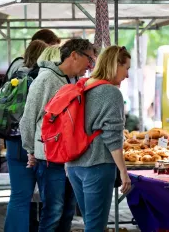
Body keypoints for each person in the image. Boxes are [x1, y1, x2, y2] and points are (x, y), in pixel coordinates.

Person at [20, 38, 97, 232]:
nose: (90, 65)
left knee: (67, 212)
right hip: (50, 158)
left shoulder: (75, 81)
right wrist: (30, 149)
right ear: (74, 55)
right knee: (53, 211)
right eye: (89, 59)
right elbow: (29, 118)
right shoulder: (45, 80)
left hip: (71, 158)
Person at [67, 46, 132, 231]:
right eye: (126, 68)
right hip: (97, 165)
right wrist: (123, 172)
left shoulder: (83, 85)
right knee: (96, 226)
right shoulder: (110, 93)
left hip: (74, 165)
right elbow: (112, 137)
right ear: (115, 65)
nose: (127, 75)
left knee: (90, 222)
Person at [4, 40, 48, 232]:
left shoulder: (15, 74)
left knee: (19, 198)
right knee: (50, 199)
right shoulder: (43, 78)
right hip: (36, 143)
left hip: (13, 141)